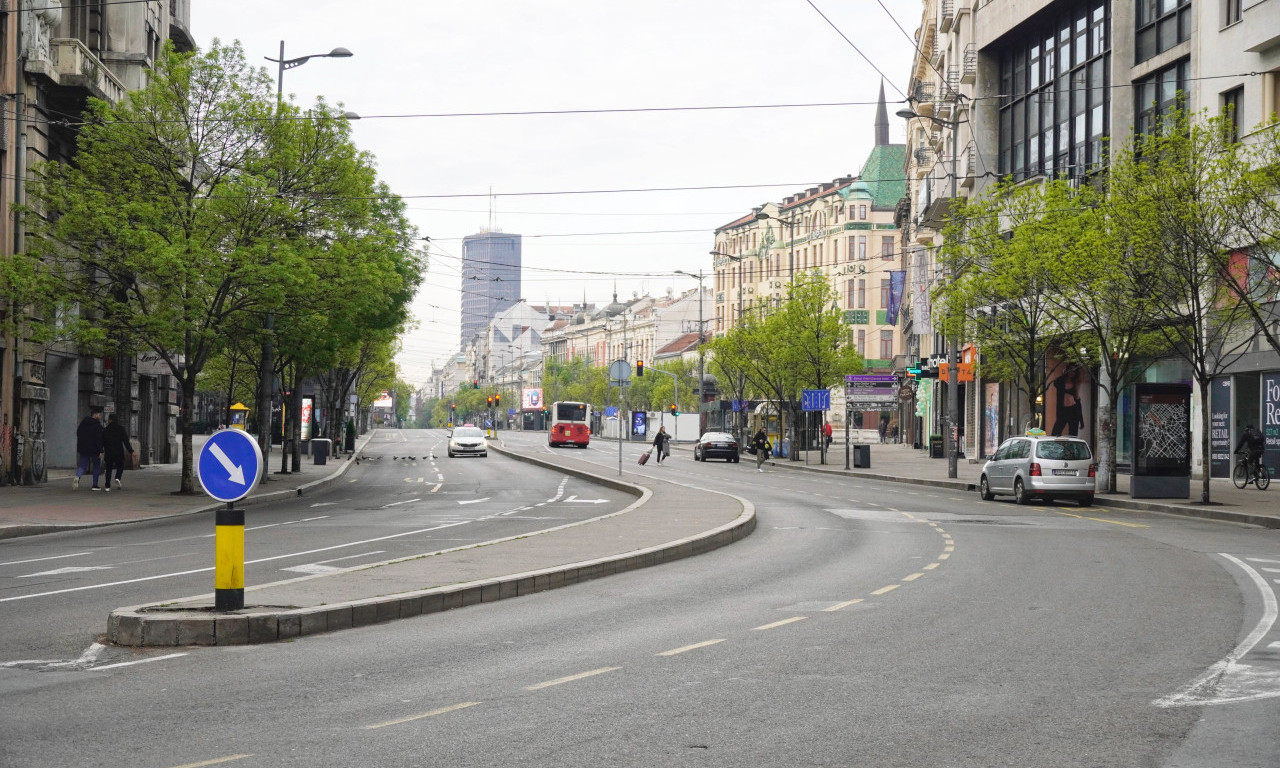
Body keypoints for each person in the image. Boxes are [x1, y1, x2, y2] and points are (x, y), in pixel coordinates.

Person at [101, 413, 134, 492]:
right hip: (118, 451)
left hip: (108, 452)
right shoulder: (121, 429)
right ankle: (117, 477)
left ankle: (107, 486)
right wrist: (131, 451)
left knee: (108, 468)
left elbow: (102, 442)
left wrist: (101, 451)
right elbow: (126, 441)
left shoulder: (105, 430)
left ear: (109, 420)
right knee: (120, 465)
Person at [74, 407, 105, 491]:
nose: (100, 416)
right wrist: (101, 451)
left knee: (82, 465)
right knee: (96, 466)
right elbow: (99, 439)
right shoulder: (97, 425)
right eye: (99, 414)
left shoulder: (83, 423)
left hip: (84, 448)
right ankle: (95, 485)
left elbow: (78, 433)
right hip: (94, 449)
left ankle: (77, 477)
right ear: (94, 414)